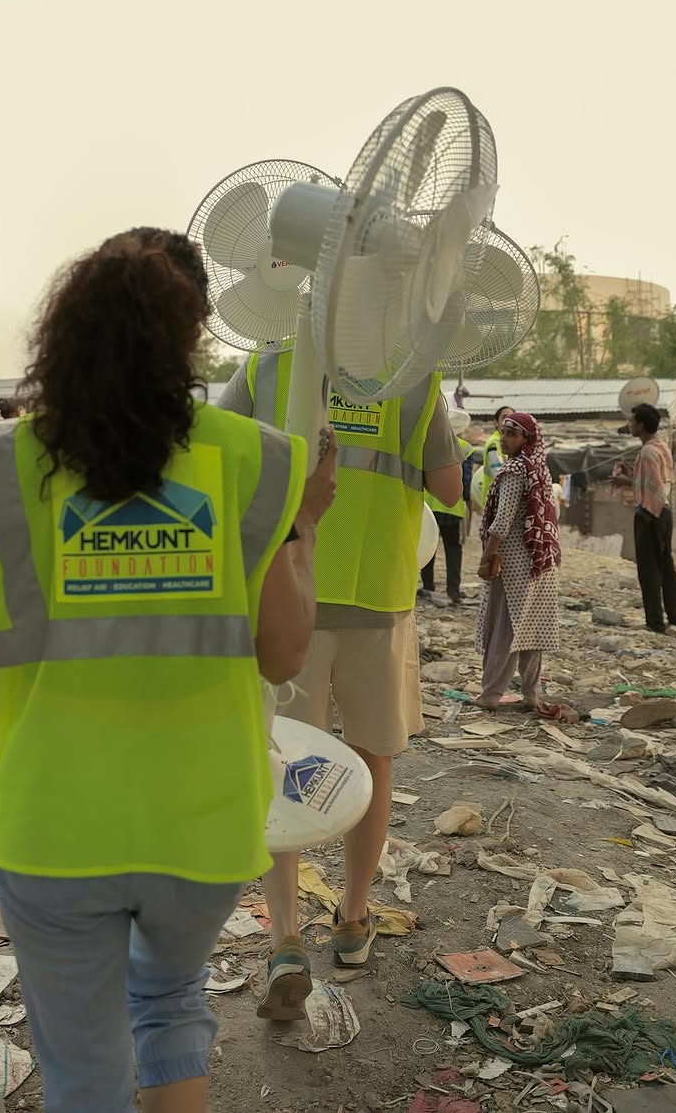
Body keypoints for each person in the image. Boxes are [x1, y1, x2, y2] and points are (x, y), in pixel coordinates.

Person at [0, 227, 337, 1113]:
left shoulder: (5, 461)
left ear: (63, 338)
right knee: (168, 1003)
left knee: (85, 1075)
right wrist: (305, 529)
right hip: (203, 824)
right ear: (189, 337)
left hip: (57, 826)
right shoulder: (257, 459)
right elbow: (284, 654)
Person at [218, 352, 462, 1019]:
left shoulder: (267, 366)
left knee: (278, 762)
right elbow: (448, 489)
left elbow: (211, 456)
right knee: (372, 757)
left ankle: (285, 940)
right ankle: (352, 922)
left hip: (284, 592)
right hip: (378, 596)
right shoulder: (415, 375)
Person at [475, 412, 560, 710]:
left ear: (527, 439)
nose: (504, 439)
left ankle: (490, 694)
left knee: (505, 628)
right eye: (503, 433)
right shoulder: (539, 468)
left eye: (512, 434)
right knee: (532, 629)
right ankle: (532, 694)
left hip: (512, 562)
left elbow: (502, 522)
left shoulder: (513, 471)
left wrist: (486, 558)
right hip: (540, 561)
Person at [612, 402, 676, 635]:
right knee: (666, 567)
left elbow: (652, 486)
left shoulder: (647, 452)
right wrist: (633, 475)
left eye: (632, 421)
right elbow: (658, 480)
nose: (629, 425)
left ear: (641, 425)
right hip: (663, 512)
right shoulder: (660, 445)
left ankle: (654, 622)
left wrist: (625, 481)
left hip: (650, 513)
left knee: (649, 570)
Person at [420, 430, 475, 604]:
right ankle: (453, 591)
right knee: (453, 549)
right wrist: (467, 500)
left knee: (429, 546)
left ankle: (428, 587)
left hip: (429, 505)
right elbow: (466, 480)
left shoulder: (426, 442)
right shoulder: (465, 447)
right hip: (452, 507)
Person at [480, 405, 515, 504]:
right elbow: (498, 474)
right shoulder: (494, 444)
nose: (508, 421)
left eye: (512, 418)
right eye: (504, 417)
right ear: (496, 422)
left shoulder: (509, 443)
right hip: (495, 500)